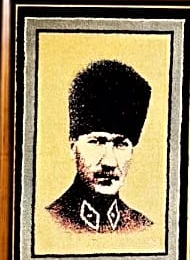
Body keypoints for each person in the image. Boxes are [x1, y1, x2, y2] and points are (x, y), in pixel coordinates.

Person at [46, 59, 153, 233]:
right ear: (73, 147)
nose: (109, 162)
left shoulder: (142, 228)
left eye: (120, 144)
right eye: (97, 142)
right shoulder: (49, 224)